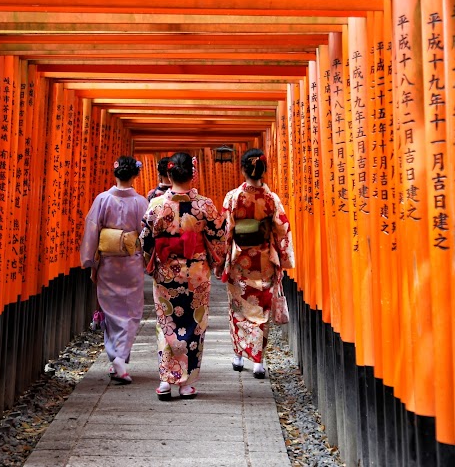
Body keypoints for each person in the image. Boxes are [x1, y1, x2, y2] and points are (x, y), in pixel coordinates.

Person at [140, 152, 227, 400]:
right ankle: (186, 383)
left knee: (167, 322)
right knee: (194, 324)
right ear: (193, 173)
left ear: (168, 174)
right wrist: (216, 261)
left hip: (166, 272)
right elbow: (218, 238)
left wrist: (149, 263)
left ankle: (165, 380)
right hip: (196, 274)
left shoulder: (156, 205)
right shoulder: (205, 205)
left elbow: (145, 240)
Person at [218, 148, 294, 379]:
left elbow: (226, 231)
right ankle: (258, 362)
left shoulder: (233, 197)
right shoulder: (271, 199)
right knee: (261, 309)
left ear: (242, 169)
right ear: (264, 170)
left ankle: (239, 356)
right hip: (263, 260)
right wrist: (284, 258)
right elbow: (282, 229)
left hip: (240, 260)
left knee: (238, 309)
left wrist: (221, 260)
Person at [80, 156, 149, 384]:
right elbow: (147, 235)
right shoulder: (141, 202)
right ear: (135, 175)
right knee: (132, 312)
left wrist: (89, 261)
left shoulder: (102, 200)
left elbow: (92, 231)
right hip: (131, 263)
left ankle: (117, 359)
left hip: (108, 264)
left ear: (115, 173)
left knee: (111, 312)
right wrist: (151, 261)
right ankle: (120, 358)